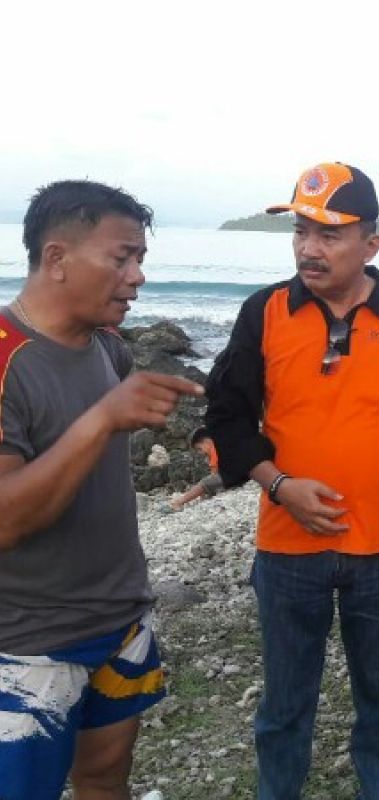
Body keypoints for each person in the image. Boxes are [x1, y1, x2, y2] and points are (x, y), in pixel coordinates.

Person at [203, 162, 379, 799]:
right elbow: (227, 415)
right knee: (283, 709)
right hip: (287, 549)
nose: (307, 248)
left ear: (371, 244)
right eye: (300, 230)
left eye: (328, 234)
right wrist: (278, 483)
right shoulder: (263, 311)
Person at [0, 180, 204, 799]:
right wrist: (102, 419)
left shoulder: (109, 349)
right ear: (57, 258)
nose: (137, 276)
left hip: (120, 617)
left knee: (105, 777)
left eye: (140, 259)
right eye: (122, 257)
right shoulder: (7, 356)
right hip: (26, 642)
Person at [168, 426, 225, 511]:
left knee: (204, 483)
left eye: (199, 449)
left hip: (231, 474)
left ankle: (179, 502)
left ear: (206, 441)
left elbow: (214, 475)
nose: (200, 453)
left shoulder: (213, 449)